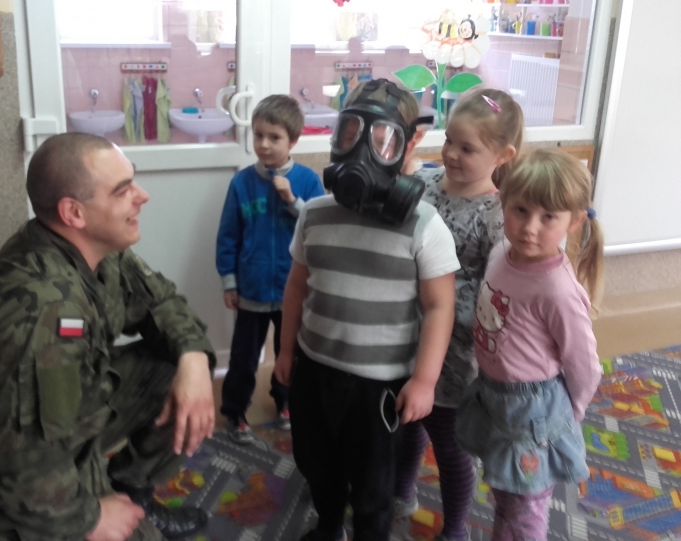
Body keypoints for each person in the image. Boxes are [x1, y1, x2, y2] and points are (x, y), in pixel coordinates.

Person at [0, 133, 216, 541]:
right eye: (122, 190)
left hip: (58, 428)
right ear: (74, 212)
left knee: (173, 368)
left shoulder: (99, 251)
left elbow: (160, 302)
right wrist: (90, 519)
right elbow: (21, 468)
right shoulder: (44, 309)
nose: (142, 196)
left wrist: (194, 359)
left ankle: (131, 489)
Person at [274, 79, 460, 541]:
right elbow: (296, 287)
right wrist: (285, 351)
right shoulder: (314, 214)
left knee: (374, 485)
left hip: (379, 387)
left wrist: (424, 381)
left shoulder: (424, 225)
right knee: (316, 462)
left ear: (408, 144)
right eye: (350, 134)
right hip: (315, 370)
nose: (362, 151)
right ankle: (329, 526)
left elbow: (440, 307)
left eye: (382, 139)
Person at [454, 149, 604, 540]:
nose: (529, 228)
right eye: (520, 210)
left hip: (535, 412)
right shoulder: (501, 252)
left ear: (574, 221)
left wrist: (569, 416)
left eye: (548, 216)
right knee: (506, 495)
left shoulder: (557, 290)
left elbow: (584, 364)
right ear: (503, 203)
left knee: (525, 511)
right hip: (494, 397)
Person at [393, 89, 521, 541]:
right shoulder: (425, 185)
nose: (450, 153)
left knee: (450, 446)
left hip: (455, 350)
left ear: (502, 155)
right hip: (406, 329)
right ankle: (401, 493)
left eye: (467, 148)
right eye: (449, 140)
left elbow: (500, 288)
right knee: (408, 421)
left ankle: (454, 529)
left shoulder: (498, 214)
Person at [216, 94, 324, 444]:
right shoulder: (241, 183)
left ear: (293, 141)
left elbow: (318, 230)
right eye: (258, 135)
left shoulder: (307, 180)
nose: (263, 144)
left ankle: (286, 403)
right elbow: (228, 236)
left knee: (289, 352)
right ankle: (234, 412)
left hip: (294, 290)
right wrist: (229, 282)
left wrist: (293, 201)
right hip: (252, 288)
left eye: (274, 137)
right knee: (243, 358)